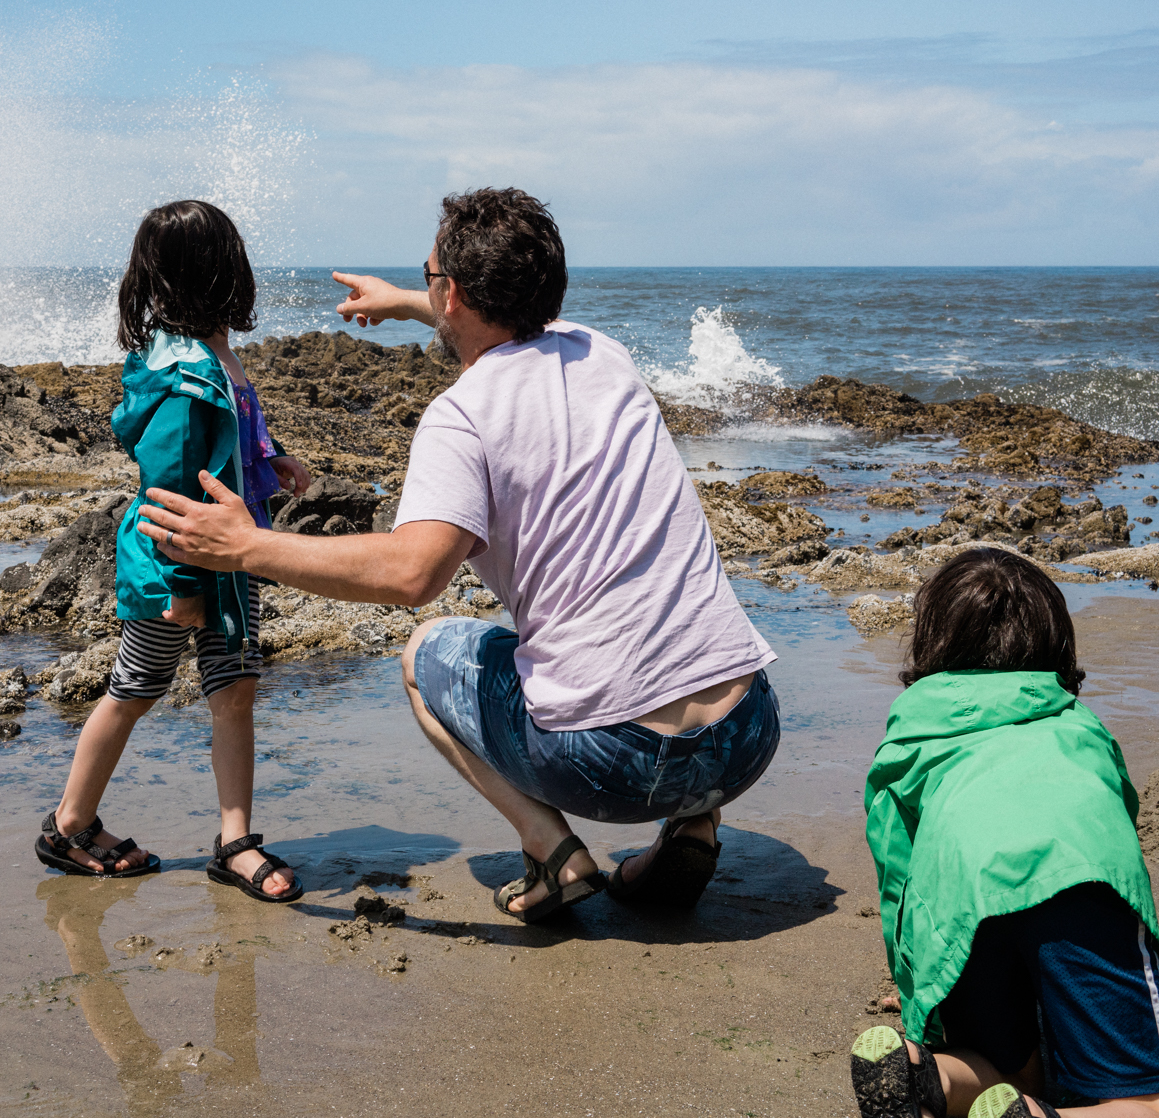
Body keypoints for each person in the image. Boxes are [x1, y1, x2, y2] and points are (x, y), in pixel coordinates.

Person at [134, 187, 781, 923]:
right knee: (672, 680)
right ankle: (696, 821)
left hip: (616, 763)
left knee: (428, 651)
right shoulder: (603, 352)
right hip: (747, 731)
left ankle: (553, 847)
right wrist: (411, 300)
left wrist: (250, 547)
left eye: (430, 274)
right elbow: (511, 315)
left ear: (458, 294)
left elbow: (414, 575)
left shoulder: (462, 416)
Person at [851, 547, 1159, 1118]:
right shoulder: (1080, 726)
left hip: (961, 906)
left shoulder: (910, 732)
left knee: (1010, 1067)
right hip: (1079, 887)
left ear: (931, 644)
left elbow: (897, 875)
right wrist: (1142, 952)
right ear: (1058, 644)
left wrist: (917, 995)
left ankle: (921, 1083)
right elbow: (1114, 843)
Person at [36, 199, 313, 904]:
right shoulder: (181, 368)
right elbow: (171, 486)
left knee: (236, 690)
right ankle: (69, 824)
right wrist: (181, 585)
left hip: (230, 554)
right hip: (179, 562)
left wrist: (270, 460)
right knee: (134, 689)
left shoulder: (213, 347)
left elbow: (232, 436)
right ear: (219, 270)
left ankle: (235, 840)